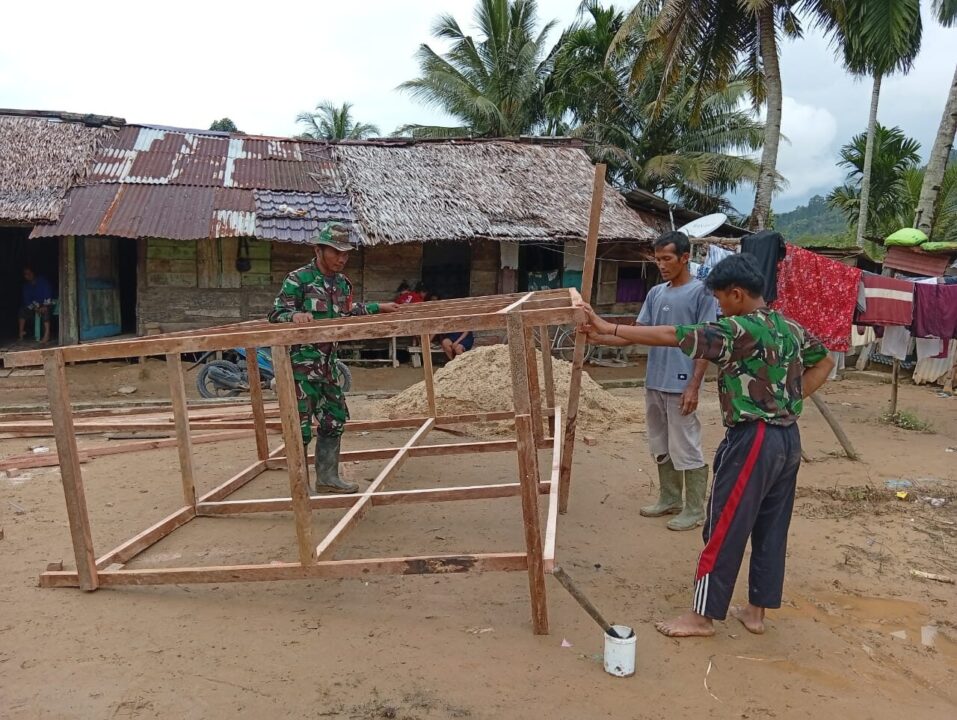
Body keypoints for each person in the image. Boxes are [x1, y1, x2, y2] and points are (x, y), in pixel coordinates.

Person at [579, 253, 833, 638]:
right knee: (771, 527)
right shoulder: (790, 328)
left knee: (723, 525)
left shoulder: (738, 329)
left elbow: (673, 335)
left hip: (754, 439)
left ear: (736, 294)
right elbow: (825, 361)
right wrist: (792, 401)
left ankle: (702, 617)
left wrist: (610, 329)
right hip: (788, 439)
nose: (717, 306)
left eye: (719, 299)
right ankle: (755, 613)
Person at [585, 231, 715, 531]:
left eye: (667, 259)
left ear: (685, 258)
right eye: (658, 260)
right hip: (655, 379)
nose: (662, 265)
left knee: (686, 444)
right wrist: (596, 335)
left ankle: (695, 509)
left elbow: (707, 342)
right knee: (660, 442)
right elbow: (636, 333)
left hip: (681, 381)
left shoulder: (701, 293)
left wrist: (694, 384)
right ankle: (670, 497)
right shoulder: (656, 293)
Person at [268, 222, 398, 494]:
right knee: (299, 429)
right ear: (319, 250)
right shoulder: (298, 279)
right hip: (300, 370)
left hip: (329, 368)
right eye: (336, 252)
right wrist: (293, 316)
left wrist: (378, 308)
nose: (342, 259)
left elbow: (347, 312)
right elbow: (276, 313)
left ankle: (327, 479)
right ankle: (299, 485)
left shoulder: (342, 284)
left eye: (346, 254)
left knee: (335, 420)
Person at [18, 266, 54, 344]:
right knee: (22, 310)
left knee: (45, 311)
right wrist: (35, 308)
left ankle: (47, 335)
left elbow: (48, 294)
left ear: (34, 273)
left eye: (29, 273)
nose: (28, 275)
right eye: (26, 274)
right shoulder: (26, 286)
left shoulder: (43, 281)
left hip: (45, 303)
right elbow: (27, 300)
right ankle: (21, 333)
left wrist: (44, 305)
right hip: (35, 306)